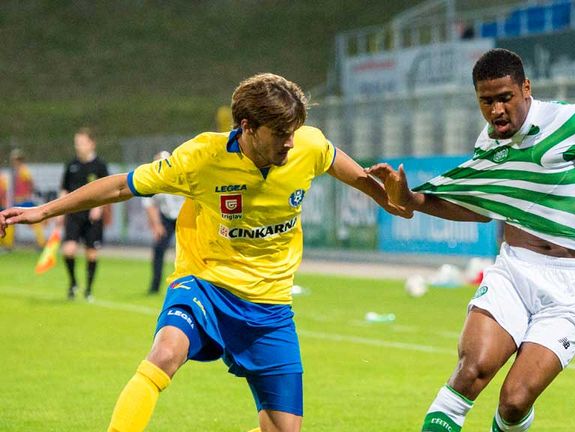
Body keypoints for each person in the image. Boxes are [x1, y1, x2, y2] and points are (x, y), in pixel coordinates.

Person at [0, 73, 409, 432]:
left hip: (270, 307)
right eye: (280, 133)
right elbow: (123, 185)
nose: (290, 142)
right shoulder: (201, 159)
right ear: (248, 127)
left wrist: (393, 199)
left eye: (294, 131)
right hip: (206, 285)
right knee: (165, 352)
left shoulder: (308, 144)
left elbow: (364, 181)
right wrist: (45, 211)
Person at [368, 48, 575, 432]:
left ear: (526, 88)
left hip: (573, 286)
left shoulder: (572, 121)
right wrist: (411, 201)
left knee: (513, 402)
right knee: (471, 371)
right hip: (515, 271)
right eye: (486, 101)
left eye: (504, 98)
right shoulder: (490, 144)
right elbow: (481, 209)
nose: (496, 110)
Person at [59, 128, 110, 301]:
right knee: (68, 250)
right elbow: (64, 189)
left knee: (91, 253)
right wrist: (58, 211)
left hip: (92, 216)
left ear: (91, 143)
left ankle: (88, 290)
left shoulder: (100, 166)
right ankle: (73, 283)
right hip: (74, 214)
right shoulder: (72, 165)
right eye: (76, 143)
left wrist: (99, 207)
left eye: (81, 142)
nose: (78, 146)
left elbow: (108, 191)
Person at [143, 151, 185, 295]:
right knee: (159, 249)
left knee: (186, 252)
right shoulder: (154, 181)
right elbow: (150, 205)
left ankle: (186, 284)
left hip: (183, 217)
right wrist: (157, 224)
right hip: (166, 217)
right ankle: (154, 286)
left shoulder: (181, 177)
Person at [10, 149, 47, 248]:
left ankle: (42, 243)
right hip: (19, 200)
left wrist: (29, 193)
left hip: (24, 200)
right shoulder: (17, 171)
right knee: (11, 221)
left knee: (34, 222)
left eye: (15, 159)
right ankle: (8, 243)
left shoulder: (23, 170)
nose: (13, 161)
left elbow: (31, 183)